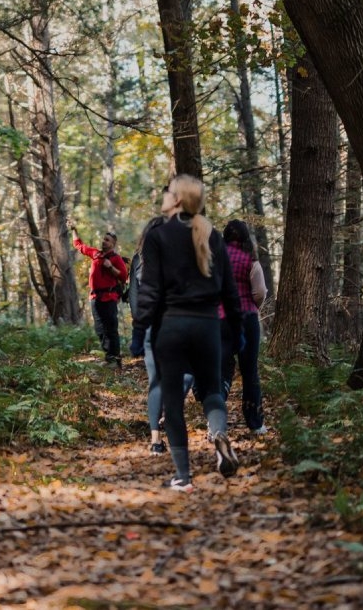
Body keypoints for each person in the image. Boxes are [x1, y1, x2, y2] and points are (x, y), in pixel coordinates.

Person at [134, 174, 242, 491]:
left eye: (168, 192)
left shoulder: (158, 236)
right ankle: (219, 432)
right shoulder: (213, 236)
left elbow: (150, 291)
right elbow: (230, 294)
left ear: (178, 199)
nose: (164, 196)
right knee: (211, 390)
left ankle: (184, 477)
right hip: (208, 326)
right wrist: (237, 334)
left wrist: (139, 331)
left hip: (171, 327)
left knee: (173, 401)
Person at [131, 193, 195, 456]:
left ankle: (156, 439)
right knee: (186, 375)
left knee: (157, 381)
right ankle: (161, 428)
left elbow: (136, 300)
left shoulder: (139, 260)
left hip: (151, 327)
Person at [221, 219, 268, 434]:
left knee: (221, 370)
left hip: (221, 320)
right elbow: (260, 292)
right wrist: (251, 306)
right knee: (250, 372)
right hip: (247, 319)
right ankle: (255, 423)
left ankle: (216, 423)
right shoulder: (250, 259)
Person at [71, 226, 128, 368]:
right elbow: (79, 245)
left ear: (113, 244)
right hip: (95, 298)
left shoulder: (116, 259)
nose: (104, 242)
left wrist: (110, 267)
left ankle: (114, 359)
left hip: (109, 297)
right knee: (100, 329)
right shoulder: (96, 254)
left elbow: (123, 276)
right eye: (103, 239)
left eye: (107, 240)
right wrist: (74, 230)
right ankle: (109, 357)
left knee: (111, 329)